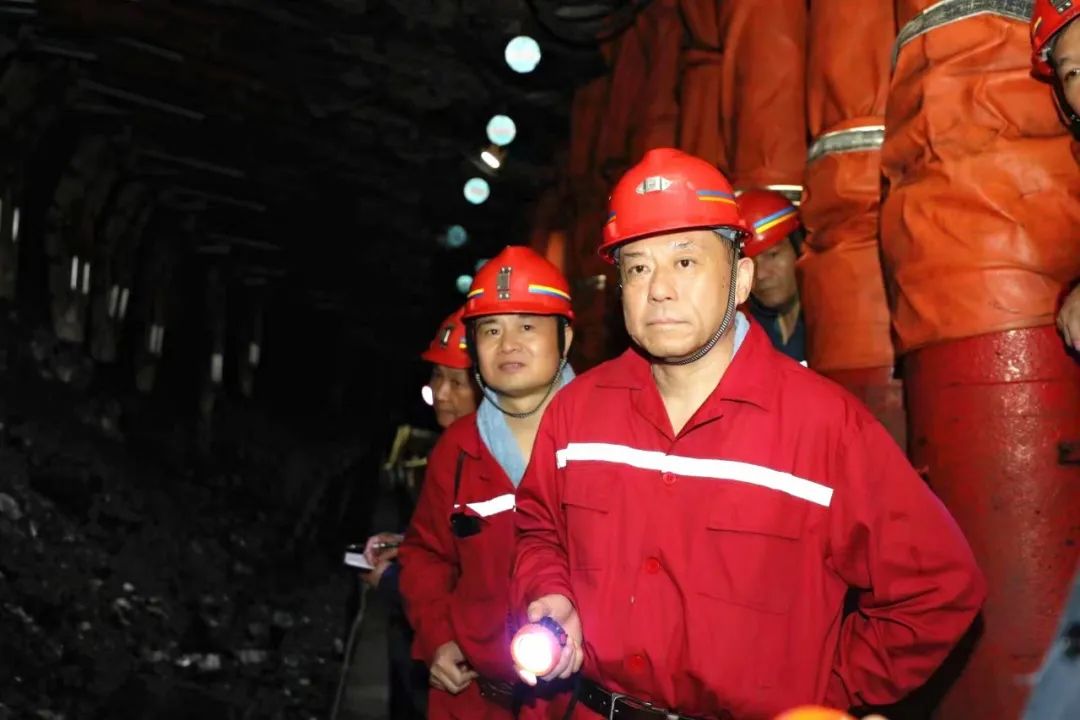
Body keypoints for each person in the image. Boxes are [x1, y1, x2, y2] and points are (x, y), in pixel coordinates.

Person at [510, 148, 986, 719]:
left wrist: (828, 689)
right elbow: (538, 527)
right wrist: (551, 590)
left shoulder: (826, 428)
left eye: (686, 261)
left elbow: (939, 588)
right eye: (637, 267)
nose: (658, 289)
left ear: (741, 279)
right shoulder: (576, 414)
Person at [399, 246, 576, 719]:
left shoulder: (606, 439)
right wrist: (437, 636)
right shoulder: (457, 450)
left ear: (565, 337)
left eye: (527, 326)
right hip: (475, 702)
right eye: (491, 330)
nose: (508, 344)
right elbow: (425, 554)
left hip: (576, 704)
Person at [363, 305, 480, 720]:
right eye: (436, 376)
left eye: (457, 382)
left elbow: (475, 577)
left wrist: (392, 580)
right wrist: (407, 543)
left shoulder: (488, 465)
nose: (441, 393)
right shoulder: (450, 451)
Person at [737, 189, 805, 363]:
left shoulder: (833, 322)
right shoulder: (742, 332)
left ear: (800, 249)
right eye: (750, 264)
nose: (760, 275)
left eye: (773, 255)